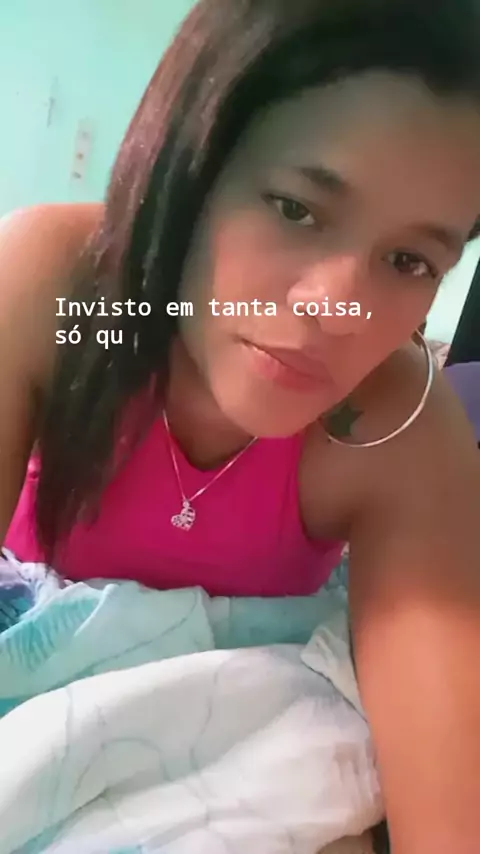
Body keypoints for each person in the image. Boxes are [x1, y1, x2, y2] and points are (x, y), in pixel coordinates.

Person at [1, 0, 480, 850]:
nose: (336, 307)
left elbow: (449, 821)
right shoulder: (73, 301)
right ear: (191, 162)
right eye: (296, 208)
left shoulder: (399, 428)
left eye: (409, 261)